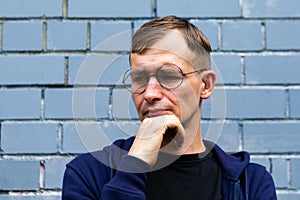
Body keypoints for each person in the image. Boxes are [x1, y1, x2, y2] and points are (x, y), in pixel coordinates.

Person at [62, 16, 277, 199]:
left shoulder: (250, 184)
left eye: (170, 76)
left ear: (205, 85)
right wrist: (135, 165)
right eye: (139, 78)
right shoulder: (89, 174)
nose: (151, 93)